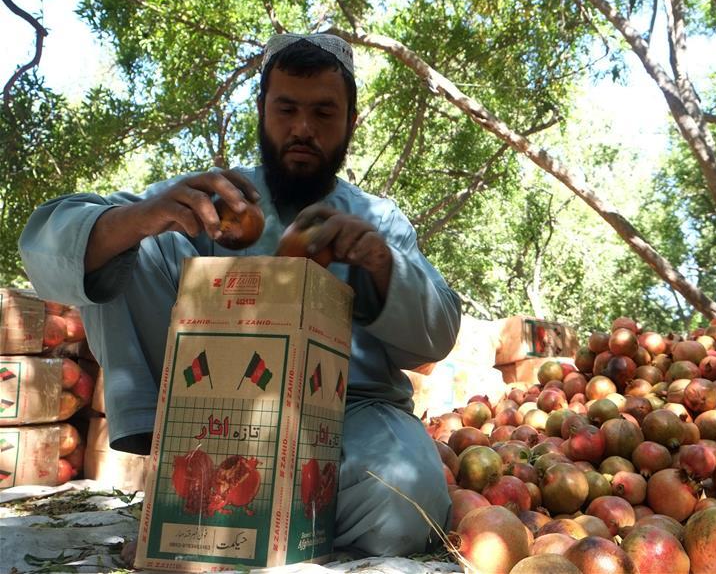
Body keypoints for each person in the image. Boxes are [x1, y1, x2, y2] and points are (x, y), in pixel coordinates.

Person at [18, 32, 461, 556]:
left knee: (404, 503)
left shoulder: (379, 221)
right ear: (261, 110)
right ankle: (172, 456)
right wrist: (140, 217)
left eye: (323, 113)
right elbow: (48, 244)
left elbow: (436, 338)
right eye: (286, 108)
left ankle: (235, 512)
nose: (302, 129)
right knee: (126, 237)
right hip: (211, 411)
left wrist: (380, 261)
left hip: (350, 416)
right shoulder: (211, 198)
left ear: (350, 123)